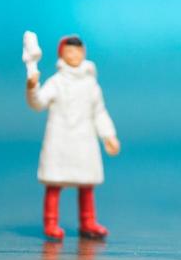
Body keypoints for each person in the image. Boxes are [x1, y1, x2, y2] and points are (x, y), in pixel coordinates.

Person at [25, 35, 120, 241]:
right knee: (54, 182)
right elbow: (38, 103)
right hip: (60, 138)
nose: (74, 55)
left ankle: (88, 222)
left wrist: (108, 135)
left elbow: (99, 112)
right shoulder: (56, 82)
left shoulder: (91, 84)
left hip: (84, 139)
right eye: (69, 51)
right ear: (62, 54)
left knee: (86, 184)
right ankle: (50, 223)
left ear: (83, 53)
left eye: (77, 51)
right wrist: (32, 87)